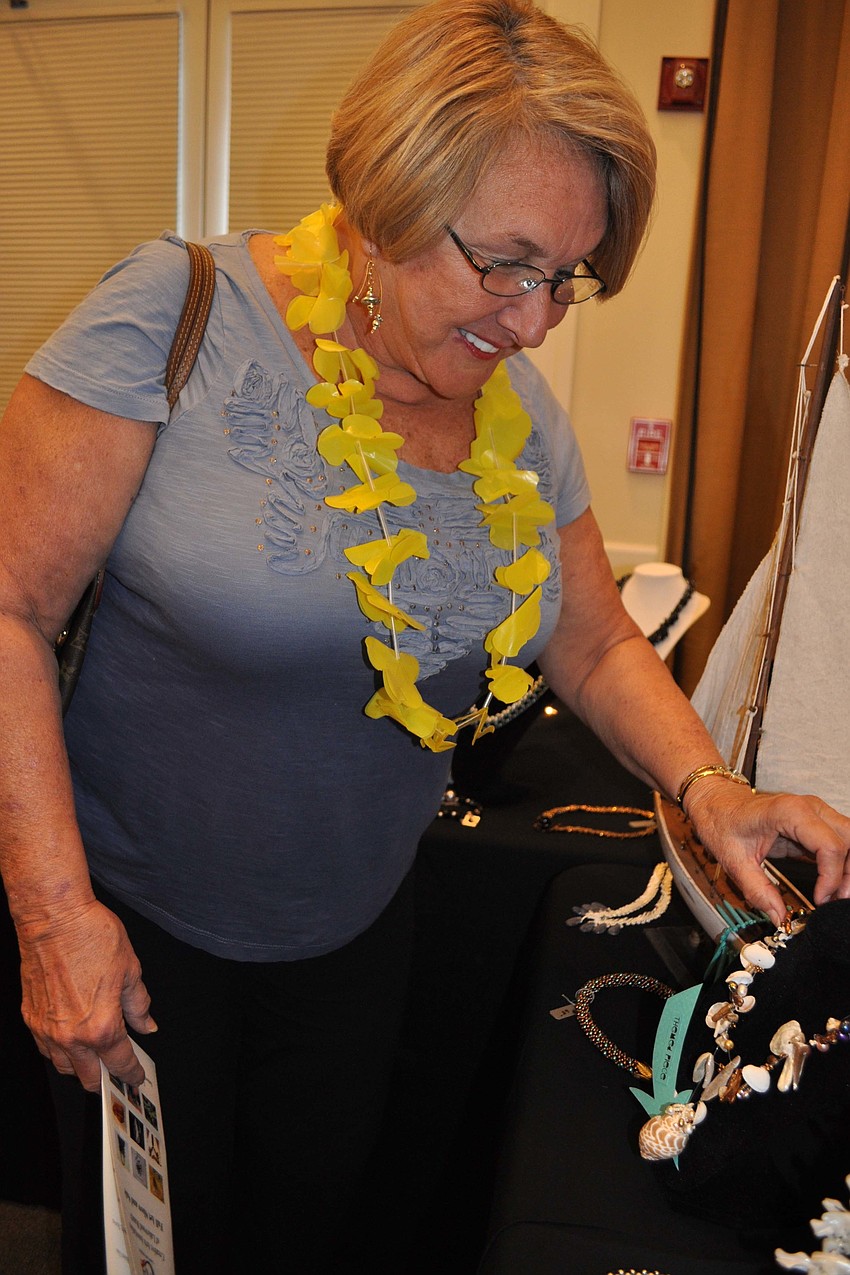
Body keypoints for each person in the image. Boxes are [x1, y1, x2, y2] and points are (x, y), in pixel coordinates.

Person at [1, 1, 849, 1271]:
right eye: (505, 263)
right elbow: (8, 604)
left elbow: (598, 642)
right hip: (139, 932)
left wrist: (709, 787)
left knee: (310, 1236)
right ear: (388, 198)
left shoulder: (511, 407)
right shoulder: (171, 315)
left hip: (359, 934)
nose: (534, 322)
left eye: (566, 275)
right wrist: (53, 914)